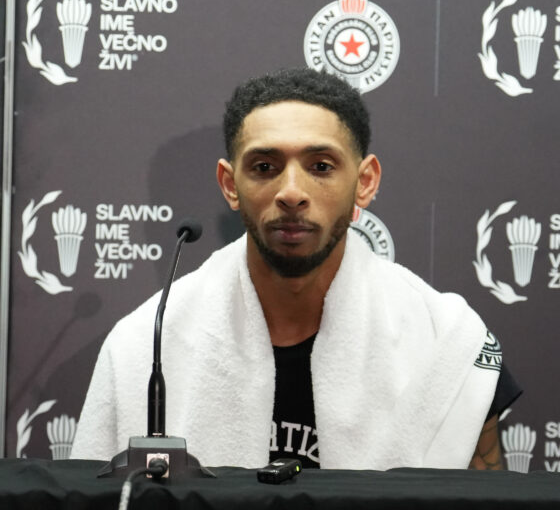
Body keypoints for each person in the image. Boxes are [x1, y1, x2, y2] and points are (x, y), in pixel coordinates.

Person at [71, 67, 520, 470]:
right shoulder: (143, 346)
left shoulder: (447, 342)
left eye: (320, 166)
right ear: (230, 184)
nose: (291, 192)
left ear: (364, 182)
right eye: (265, 166)